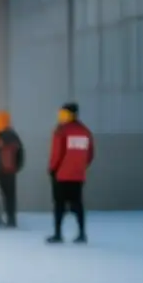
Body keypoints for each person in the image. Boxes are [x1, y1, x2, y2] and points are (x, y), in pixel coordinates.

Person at [47, 102, 94, 244]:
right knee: (78, 204)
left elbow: (57, 153)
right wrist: (81, 167)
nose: (61, 117)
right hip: (78, 175)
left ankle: (58, 234)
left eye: (63, 114)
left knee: (59, 204)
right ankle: (81, 234)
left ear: (70, 115)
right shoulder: (86, 131)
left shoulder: (61, 130)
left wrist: (52, 169)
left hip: (61, 174)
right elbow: (90, 154)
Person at [0, 110, 24, 228]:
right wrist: (17, 167)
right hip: (9, 172)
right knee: (10, 197)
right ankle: (11, 220)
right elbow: (20, 154)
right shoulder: (13, 135)